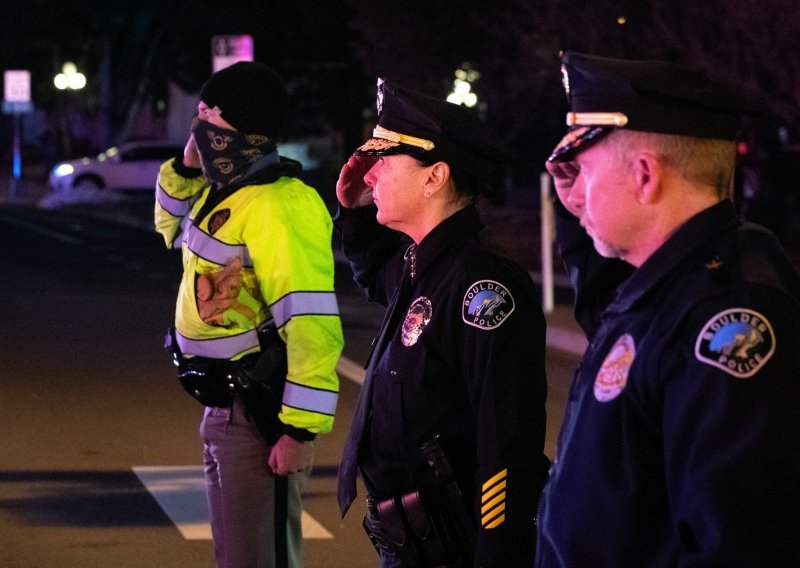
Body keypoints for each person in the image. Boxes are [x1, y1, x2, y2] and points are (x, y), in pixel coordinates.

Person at [536, 51, 800, 567]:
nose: (577, 194)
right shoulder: (670, 282)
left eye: (585, 171)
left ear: (644, 175)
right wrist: (578, 207)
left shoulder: (729, 313)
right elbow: (611, 317)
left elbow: (735, 546)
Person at [335, 79, 550, 567]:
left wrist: (495, 553)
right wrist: (352, 214)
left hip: (457, 548)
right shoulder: (424, 264)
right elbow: (376, 277)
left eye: (384, 163)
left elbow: (506, 442)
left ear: (434, 177)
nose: (370, 177)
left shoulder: (482, 287)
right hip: (412, 544)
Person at [154, 61, 344, 568]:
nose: (200, 126)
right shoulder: (225, 189)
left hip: (261, 415)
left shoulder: (282, 204)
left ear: (243, 129)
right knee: (235, 558)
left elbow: (310, 323)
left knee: (260, 559)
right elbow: (169, 228)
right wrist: (189, 168)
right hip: (222, 408)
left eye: (210, 116)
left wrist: (300, 431)